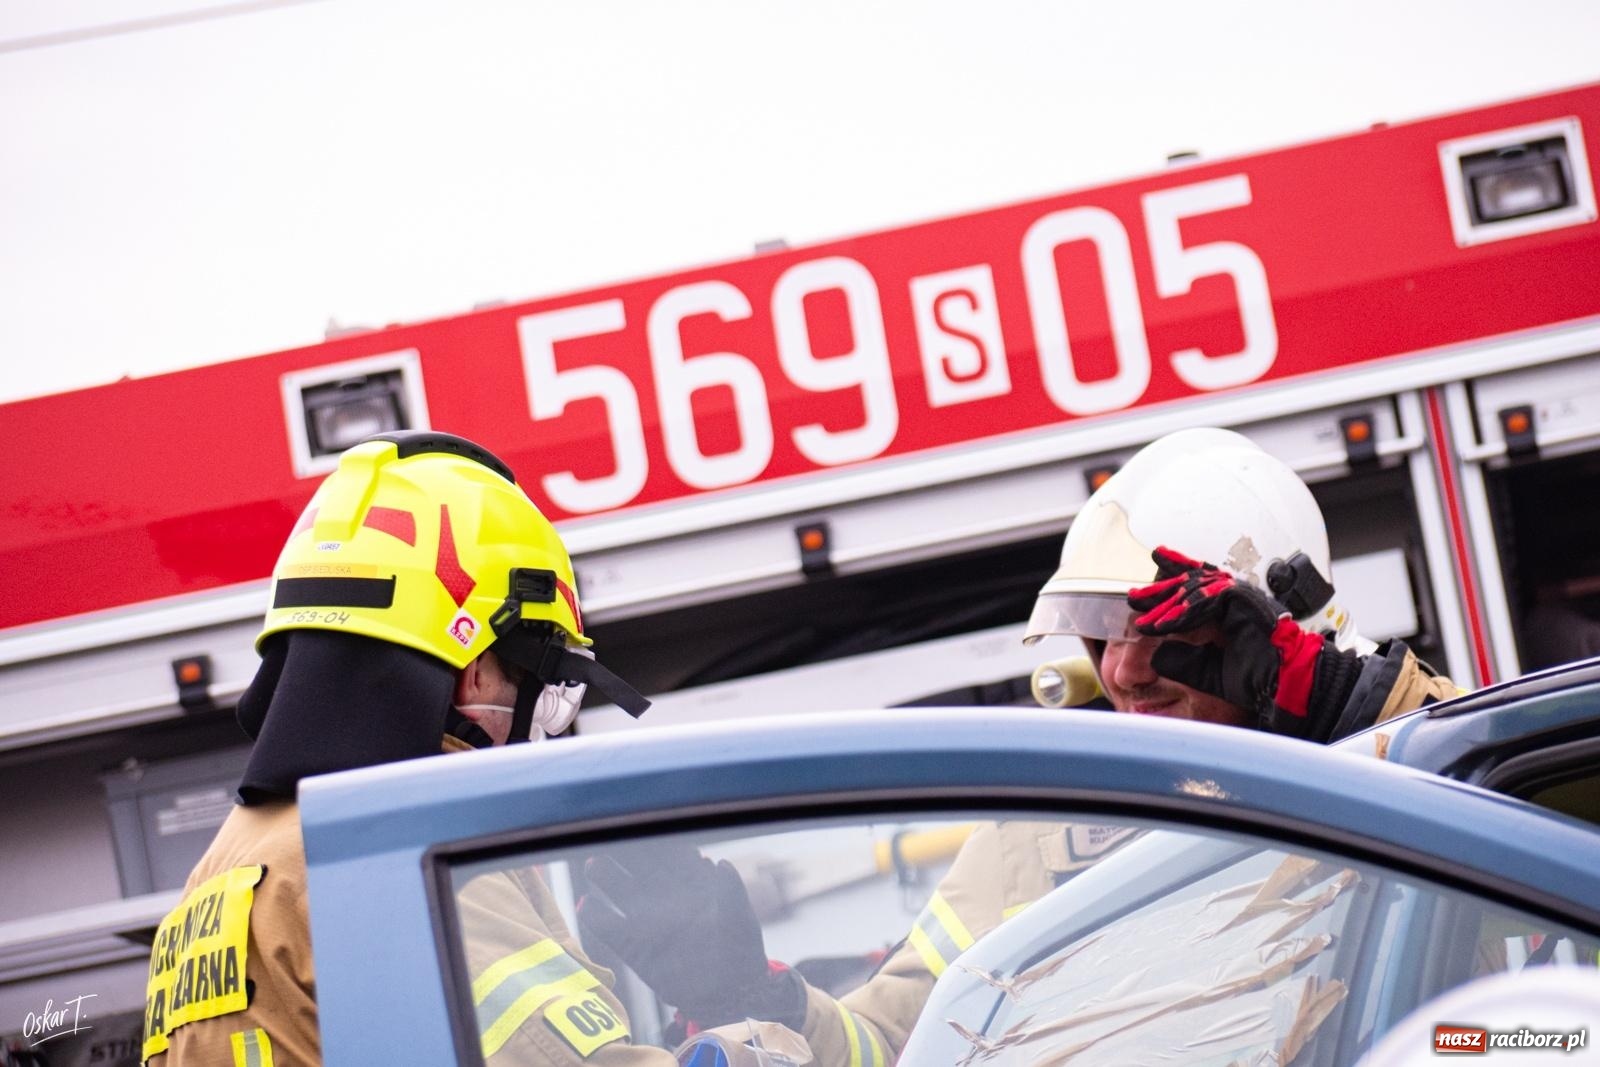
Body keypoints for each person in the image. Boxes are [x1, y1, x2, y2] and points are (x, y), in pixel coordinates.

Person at [576, 427, 1462, 1067]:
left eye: (1172, 632)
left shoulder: (1419, 771)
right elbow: (895, 1047)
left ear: (1283, 635)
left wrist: (1353, 709)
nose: (1122, 668)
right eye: (1099, 630)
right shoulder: (1043, 844)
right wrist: (754, 1001)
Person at [140, 431, 658, 1067]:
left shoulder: (225, 869)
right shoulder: (416, 852)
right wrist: (766, 1039)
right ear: (474, 670)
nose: (542, 714)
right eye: (542, 679)